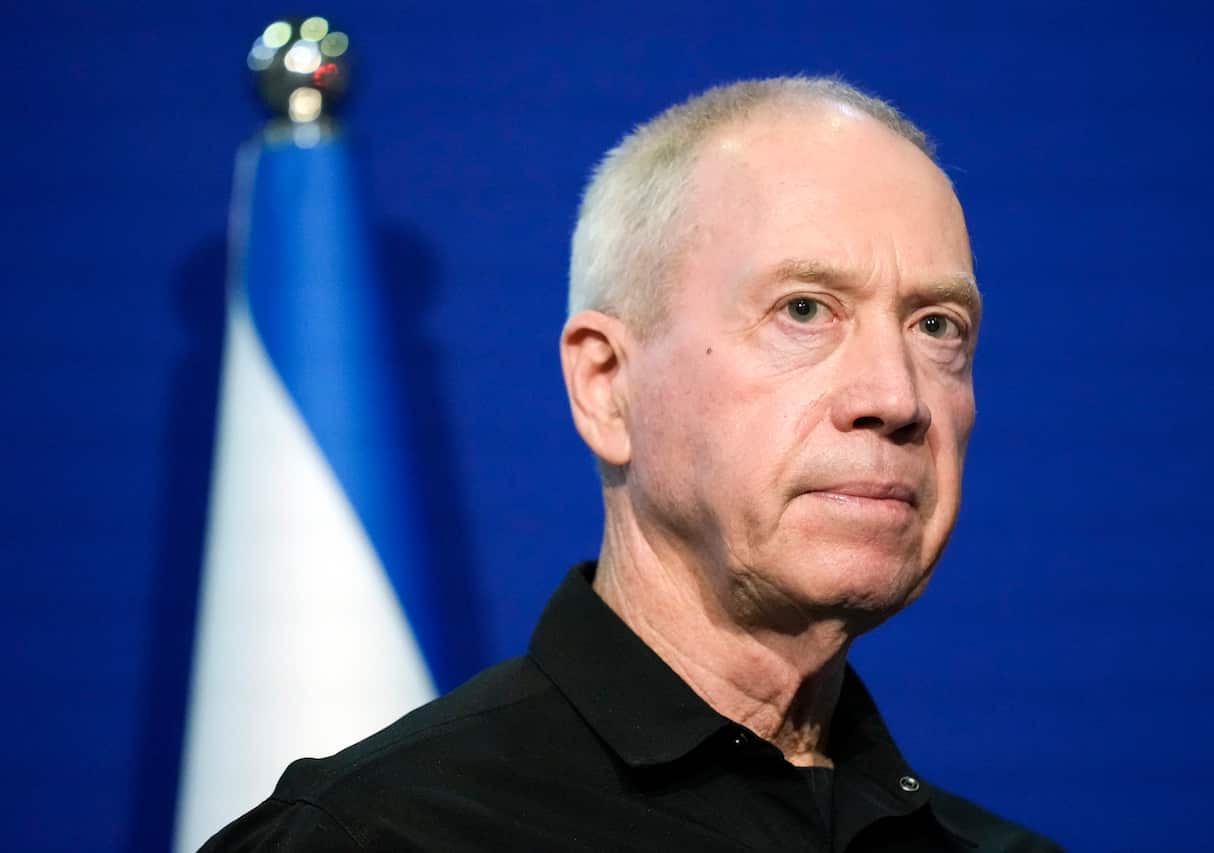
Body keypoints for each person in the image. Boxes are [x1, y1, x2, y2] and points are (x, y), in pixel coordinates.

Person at [201, 76, 1063, 852]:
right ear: (607, 385)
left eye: (937, 325)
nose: (897, 397)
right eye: (804, 309)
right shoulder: (371, 837)